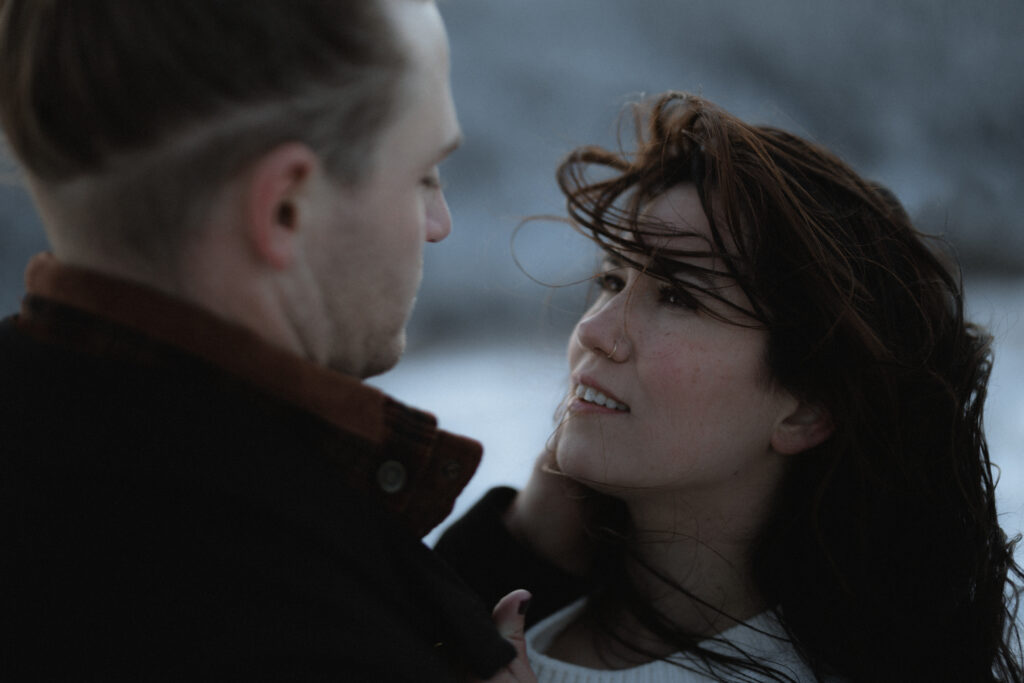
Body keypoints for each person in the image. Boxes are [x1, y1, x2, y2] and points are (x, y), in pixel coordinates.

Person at [0, 1, 532, 679]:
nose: (439, 222)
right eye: (424, 174)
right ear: (286, 207)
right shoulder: (299, 630)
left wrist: (520, 550)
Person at [437, 92, 1024, 682]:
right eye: (612, 280)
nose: (594, 330)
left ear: (807, 410)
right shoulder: (499, 610)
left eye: (678, 297)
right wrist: (513, 547)